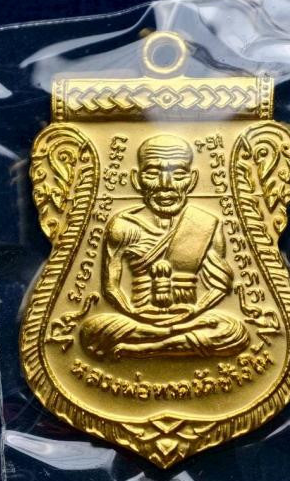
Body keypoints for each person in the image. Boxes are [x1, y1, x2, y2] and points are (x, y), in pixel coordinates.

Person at [80, 134, 247, 360]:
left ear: (193, 180)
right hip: (138, 319)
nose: (166, 185)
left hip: (190, 318)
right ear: (136, 179)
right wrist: (136, 314)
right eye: (152, 173)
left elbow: (219, 286)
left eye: (178, 175)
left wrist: (193, 313)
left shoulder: (205, 223)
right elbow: (110, 287)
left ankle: (146, 348)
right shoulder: (123, 225)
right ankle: (168, 340)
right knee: (91, 331)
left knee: (234, 331)